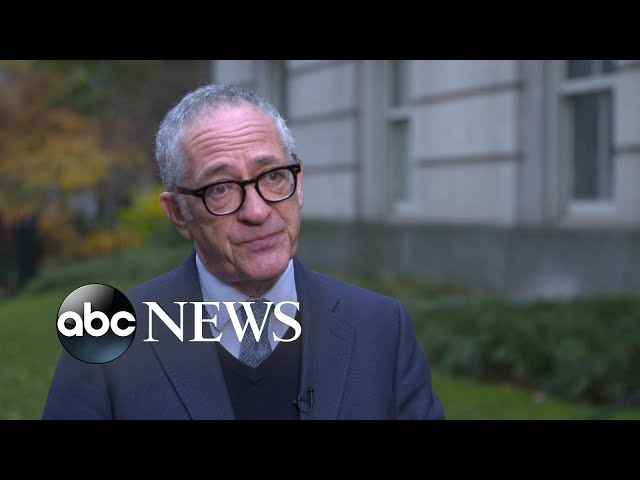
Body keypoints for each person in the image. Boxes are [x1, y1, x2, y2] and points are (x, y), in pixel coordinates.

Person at [42, 84, 445, 420]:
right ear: (179, 213)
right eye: (220, 188)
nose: (257, 211)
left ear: (299, 183)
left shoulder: (382, 329)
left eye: (273, 177)